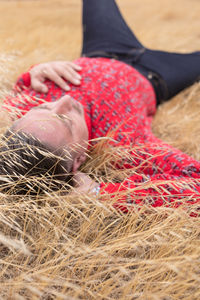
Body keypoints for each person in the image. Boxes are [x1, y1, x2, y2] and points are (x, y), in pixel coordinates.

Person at [1, 0, 200, 214]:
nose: (64, 101)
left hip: (102, 47)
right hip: (157, 73)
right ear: (78, 160)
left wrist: (35, 71)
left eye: (42, 108)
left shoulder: (22, 113)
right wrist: (100, 192)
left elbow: (21, 88)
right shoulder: (122, 144)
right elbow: (194, 183)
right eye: (66, 121)